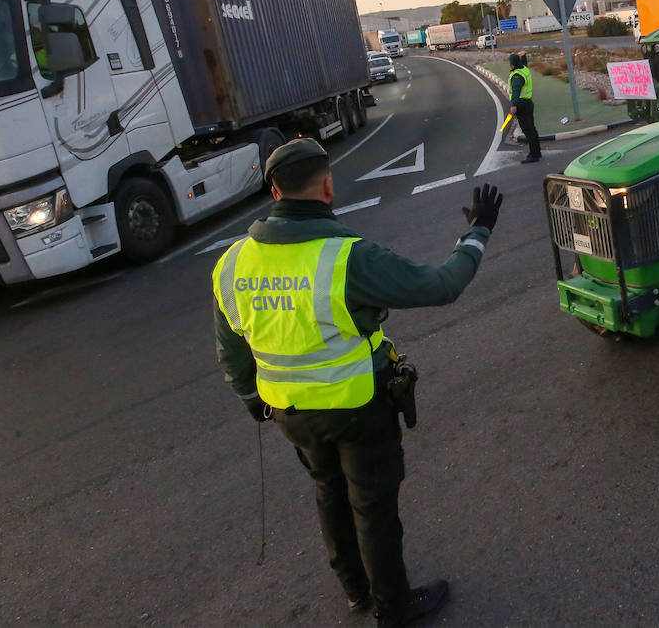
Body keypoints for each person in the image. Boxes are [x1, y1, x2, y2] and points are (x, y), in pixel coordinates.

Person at [212, 138, 503, 627]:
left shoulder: (232, 264)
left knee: (329, 491)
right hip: (356, 408)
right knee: (372, 507)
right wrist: (478, 233)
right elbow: (441, 286)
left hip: (291, 415)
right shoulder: (346, 257)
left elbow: (233, 349)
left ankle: (354, 590)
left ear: (275, 192)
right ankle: (392, 608)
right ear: (328, 186)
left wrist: (251, 399)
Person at [508, 52, 541, 163]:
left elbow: (516, 91)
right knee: (532, 129)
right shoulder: (524, 69)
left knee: (528, 131)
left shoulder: (517, 76)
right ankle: (537, 152)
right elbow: (524, 64)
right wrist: (524, 56)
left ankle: (533, 155)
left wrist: (513, 105)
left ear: (512, 64)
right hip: (528, 103)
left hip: (521, 105)